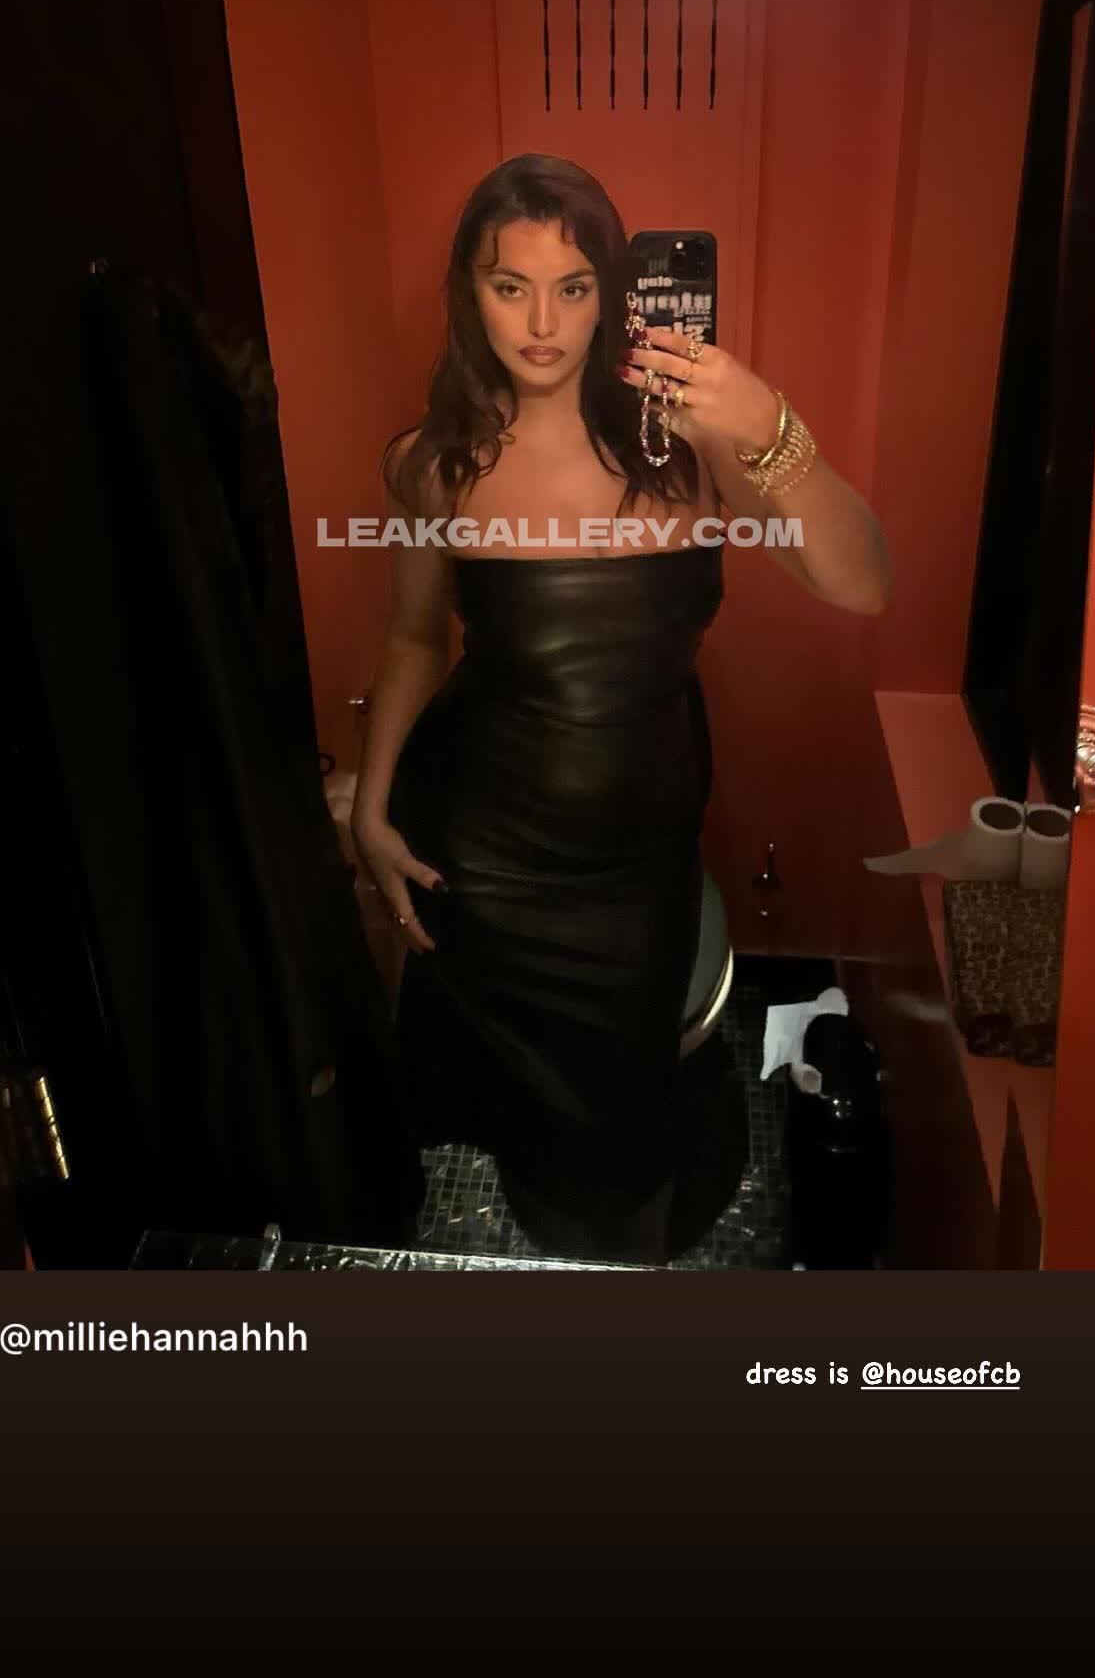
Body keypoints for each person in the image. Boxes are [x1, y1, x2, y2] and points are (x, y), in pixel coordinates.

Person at [350, 154, 892, 1264]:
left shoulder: (682, 445)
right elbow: (413, 641)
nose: (543, 323)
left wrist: (765, 418)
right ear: (469, 292)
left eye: (574, 286)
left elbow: (862, 581)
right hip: (485, 853)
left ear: (614, 292)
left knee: (623, 1147)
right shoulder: (431, 465)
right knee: (525, 1125)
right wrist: (369, 808)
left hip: (636, 871)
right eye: (511, 286)